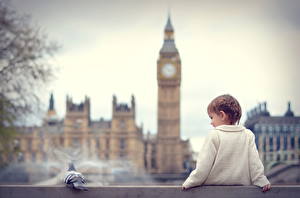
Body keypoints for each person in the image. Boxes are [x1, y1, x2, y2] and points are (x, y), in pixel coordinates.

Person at [182, 94, 271, 192]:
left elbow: (203, 167)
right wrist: (262, 181)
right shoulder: (248, 135)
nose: (211, 122)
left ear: (222, 115)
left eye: (212, 117)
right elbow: (255, 164)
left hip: (214, 192)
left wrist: (190, 182)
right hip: (241, 192)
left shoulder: (214, 135)